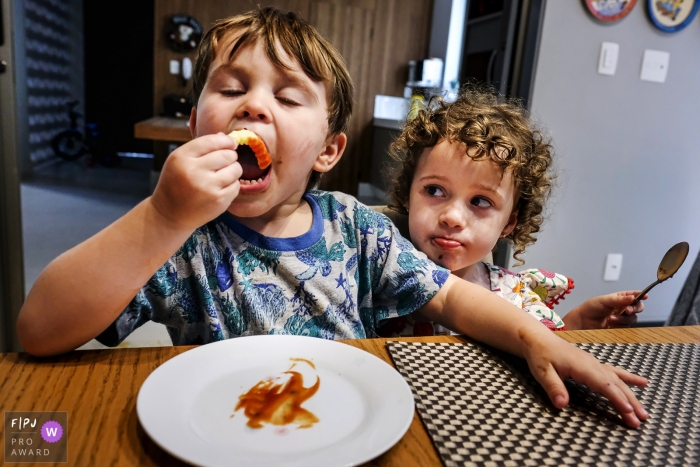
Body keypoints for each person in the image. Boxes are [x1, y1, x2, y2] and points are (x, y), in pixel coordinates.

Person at [17, 8, 648, 427]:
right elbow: (38, 331)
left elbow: (456, 302)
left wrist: (540, 336)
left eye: (287, 97)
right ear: (194, 124)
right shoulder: (177, 241)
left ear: (327, 149)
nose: (254, 108)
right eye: (231, 88)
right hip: (222, 431)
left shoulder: (359, 230)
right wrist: (159, 217)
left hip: (347, 429)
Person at [382, 85, 646, 337]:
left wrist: (577, 325)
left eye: (480, 202)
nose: (452, 217)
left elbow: (535, 348)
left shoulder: (515, 294)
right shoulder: (376, 280)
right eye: (435, 191)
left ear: (509, 222)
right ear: (407, 195)